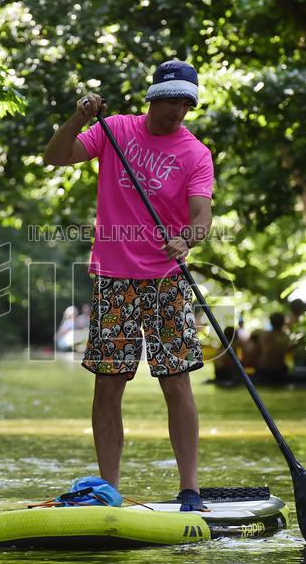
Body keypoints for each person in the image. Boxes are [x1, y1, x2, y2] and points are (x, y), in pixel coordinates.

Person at [43, 59, 214, 511]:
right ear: (153, 96)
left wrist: (187, 238)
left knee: (176, 382)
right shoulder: (113, 129)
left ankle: (190, 490)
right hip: (113, 278)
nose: (177, 109)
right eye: (170, 99)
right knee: (109, 383)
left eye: (185, 102)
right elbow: (55, 156)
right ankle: (108, 490)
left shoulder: (195, 153)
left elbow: (201, 216)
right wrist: (79, 117)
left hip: (164, 279)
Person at [251, 312, 290, 383]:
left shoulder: (263, 334)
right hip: (278, 370)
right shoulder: (284, 336)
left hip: (264, 369)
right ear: (283, 322)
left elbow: (256, 349)